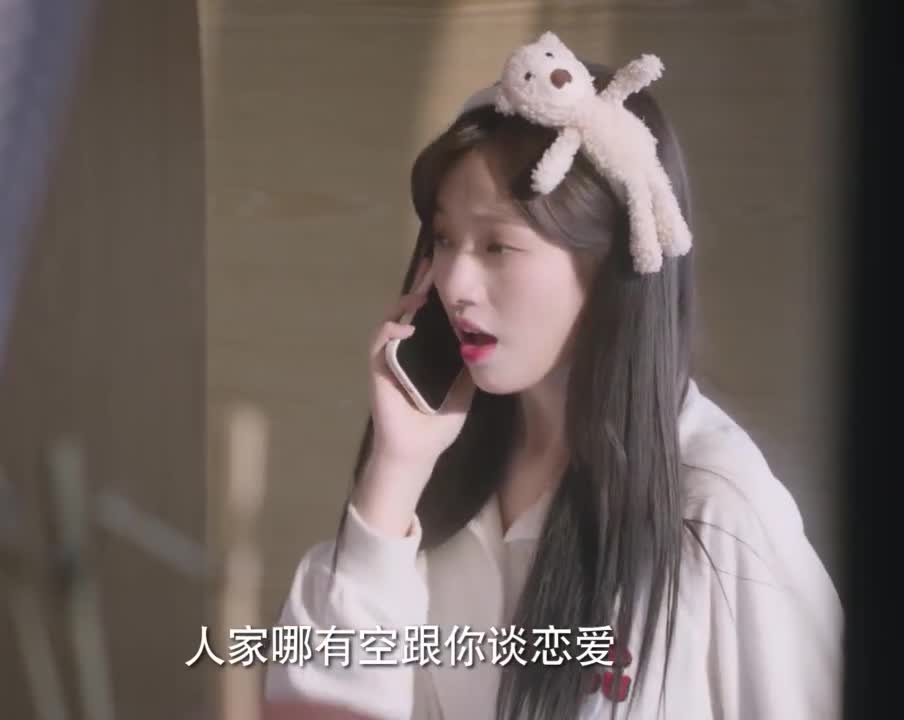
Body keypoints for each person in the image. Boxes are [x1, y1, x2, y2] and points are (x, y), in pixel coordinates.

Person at [264, 32, 842, 720]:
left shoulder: (715, 510)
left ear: (610, 264)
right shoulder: (435, 490)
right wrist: (393, 473)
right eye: (443, 239)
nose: (455, 284)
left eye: (497, 245)